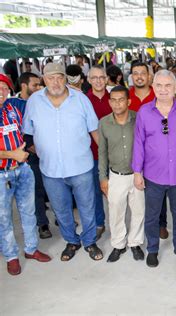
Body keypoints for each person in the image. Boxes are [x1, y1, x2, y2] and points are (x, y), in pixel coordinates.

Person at [23, 63, 104, 262]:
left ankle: (90, 241)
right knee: (61, 209)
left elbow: (95, 131)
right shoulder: (34, 101)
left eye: (59, 77)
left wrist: (104, 160)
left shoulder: (81, 99)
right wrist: (42, 151)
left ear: (65, 78)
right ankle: (72, 241)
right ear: (44, 79)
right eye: (51, 78)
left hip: (81, 167)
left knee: (87, 206)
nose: (55, 82)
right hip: (51, 170)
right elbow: (28, 133)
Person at [133, 70, 176, 267]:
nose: (163, 90)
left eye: (168, 86)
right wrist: (137, 172)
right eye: (159, 85)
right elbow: (138, 143)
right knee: (152, 215)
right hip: (153, 175)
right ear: (153, 87)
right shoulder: (145, 112)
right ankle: (153, 249)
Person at [0, 74, 51, 275]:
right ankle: (11, 256)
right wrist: (10, 154)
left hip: (23, 170)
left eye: (4, 88)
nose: (1, 92)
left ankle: (31, 249)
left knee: (28, 211)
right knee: (4, 218)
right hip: (2, 173)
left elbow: (38, 102)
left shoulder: (14, 107)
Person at [98, 85, 145, 263]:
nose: (117, 104)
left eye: (121, 99)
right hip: (116, 175)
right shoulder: (104, 123)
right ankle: (118, 245)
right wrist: (103, 178)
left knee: (139, 210)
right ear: (110, 102)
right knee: (116, 212)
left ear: (128, 101)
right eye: (114, 100)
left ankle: (135, 243)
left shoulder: (138, 118)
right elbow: (102, 152)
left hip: (137, 174)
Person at [128, 61, 168, 239]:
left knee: (159, 190)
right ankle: (139, 228)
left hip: (157, 154)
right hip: (133, 149)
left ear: (149, 77)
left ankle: (161, 224)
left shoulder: (159, 94)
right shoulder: (125, 97)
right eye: (135, 73)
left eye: (142, 73)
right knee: (137, 194)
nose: (139, 76)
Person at [13, 72, 50, 239]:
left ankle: (60, 219)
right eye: (35, 85)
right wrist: (32, 147)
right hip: (27, 155)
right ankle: (42, 224)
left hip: (47, 152)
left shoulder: (42, 100)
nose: (38, 88)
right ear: (23, 86)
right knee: (37, 190)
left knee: (51, 187)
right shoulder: (13, 104)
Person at [86, 65, 112, 240]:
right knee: (95, 191)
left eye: (101, 77)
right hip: (92, 154)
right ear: (88, 80)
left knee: (117, 192)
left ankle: (121, 225)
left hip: (116, 155)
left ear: (106, 79)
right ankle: (99, 223)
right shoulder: (83, 100)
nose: (98, 81)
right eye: (94, 78)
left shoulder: (115, 98)